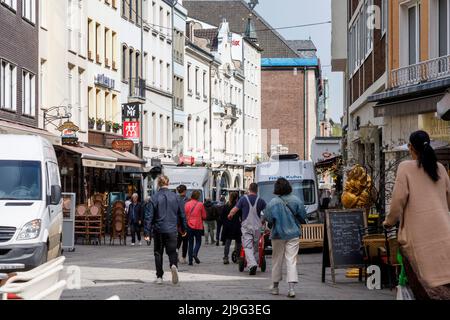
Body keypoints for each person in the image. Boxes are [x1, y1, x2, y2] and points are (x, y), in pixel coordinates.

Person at [383, 130, 450, 300]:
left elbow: (398, 201)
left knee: (422, 284)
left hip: (418, 237)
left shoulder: (405, 167)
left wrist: (389, 222)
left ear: (410, 147)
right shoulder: (440, 168)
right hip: (444, 233)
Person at [263, 178, 307, 298]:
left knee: (277, 260)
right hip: (293, 234)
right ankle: (291, 289)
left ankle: (275, 287)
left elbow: (269, 219)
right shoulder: (296, 200)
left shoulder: (272, 202)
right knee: (291, 260)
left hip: (278, 235)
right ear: (289, 187)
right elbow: (303, 216)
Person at [144, 175, 187, 285]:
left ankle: (159, 277)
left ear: (158, 184)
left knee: (158, 253)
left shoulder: (154, 198)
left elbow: (148, 217)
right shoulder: (177, 198)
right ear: (168, 183)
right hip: (172, 229)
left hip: (158, 229)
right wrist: (184, 228)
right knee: (172, 251)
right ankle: (173, 265)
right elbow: (182, 215)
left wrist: (147, 233)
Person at [228, 183, 266, 275]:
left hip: (247, 226)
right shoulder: (261, 200)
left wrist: (230, 215)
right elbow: (267, 212)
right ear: (257, 190)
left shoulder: (243, 199)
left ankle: (252, 264)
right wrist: (264, 220)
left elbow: (235, 209)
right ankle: (256, 262)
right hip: (257, 227)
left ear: (249, 189)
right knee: (256, 246)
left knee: (247, 246)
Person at [185, 190, 207, 266]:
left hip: (189, 225)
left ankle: (190, 261)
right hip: (198, 226)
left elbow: (184, 215)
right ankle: (195, 253)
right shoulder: (200, 204)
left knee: (190, 243)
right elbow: (204, 216)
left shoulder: (187, 204)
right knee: (198, 241)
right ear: (198, 196)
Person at [221, 192, 241, 265]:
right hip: (236, 226)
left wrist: (225, 224)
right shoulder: (238, 206)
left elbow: (222, 217)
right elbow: (241, 217)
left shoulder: (226, 206)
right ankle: (238, 258)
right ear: (237, 198)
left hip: (228, 226)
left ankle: (226, 258)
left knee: (227, 243)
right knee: (238, 242)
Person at [176, 185, 189, 264]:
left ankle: (176, 253)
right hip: (184, 223)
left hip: (177, 223)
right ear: (185, 191)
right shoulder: (187, 200)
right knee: (185, 241)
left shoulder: (175, 199)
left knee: (178, 240)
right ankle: (183, 257)